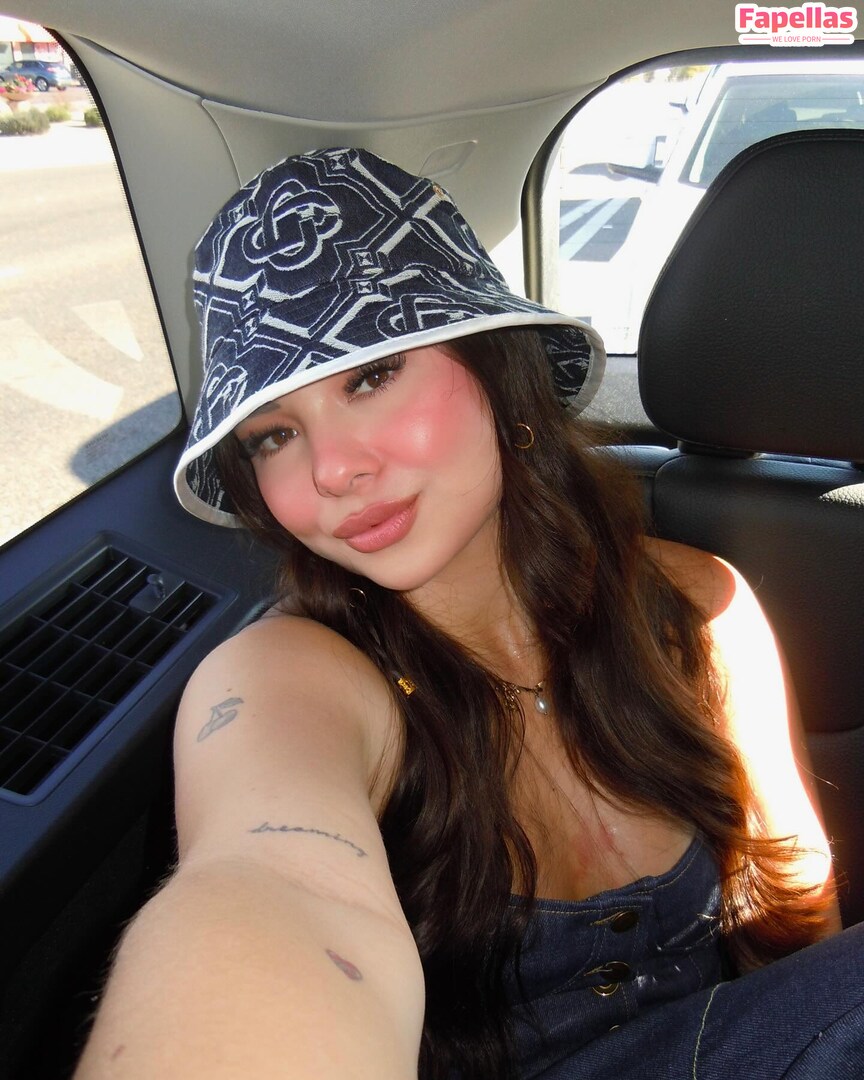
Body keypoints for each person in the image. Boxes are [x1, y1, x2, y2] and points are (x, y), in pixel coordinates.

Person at [75, 147, 863, 1080]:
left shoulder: (695, 606)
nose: (332, 470)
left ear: (498, 369)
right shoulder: (286, 679)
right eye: (275, 435)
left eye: (370, 376)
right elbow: (266, 879)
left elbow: (790, 901)